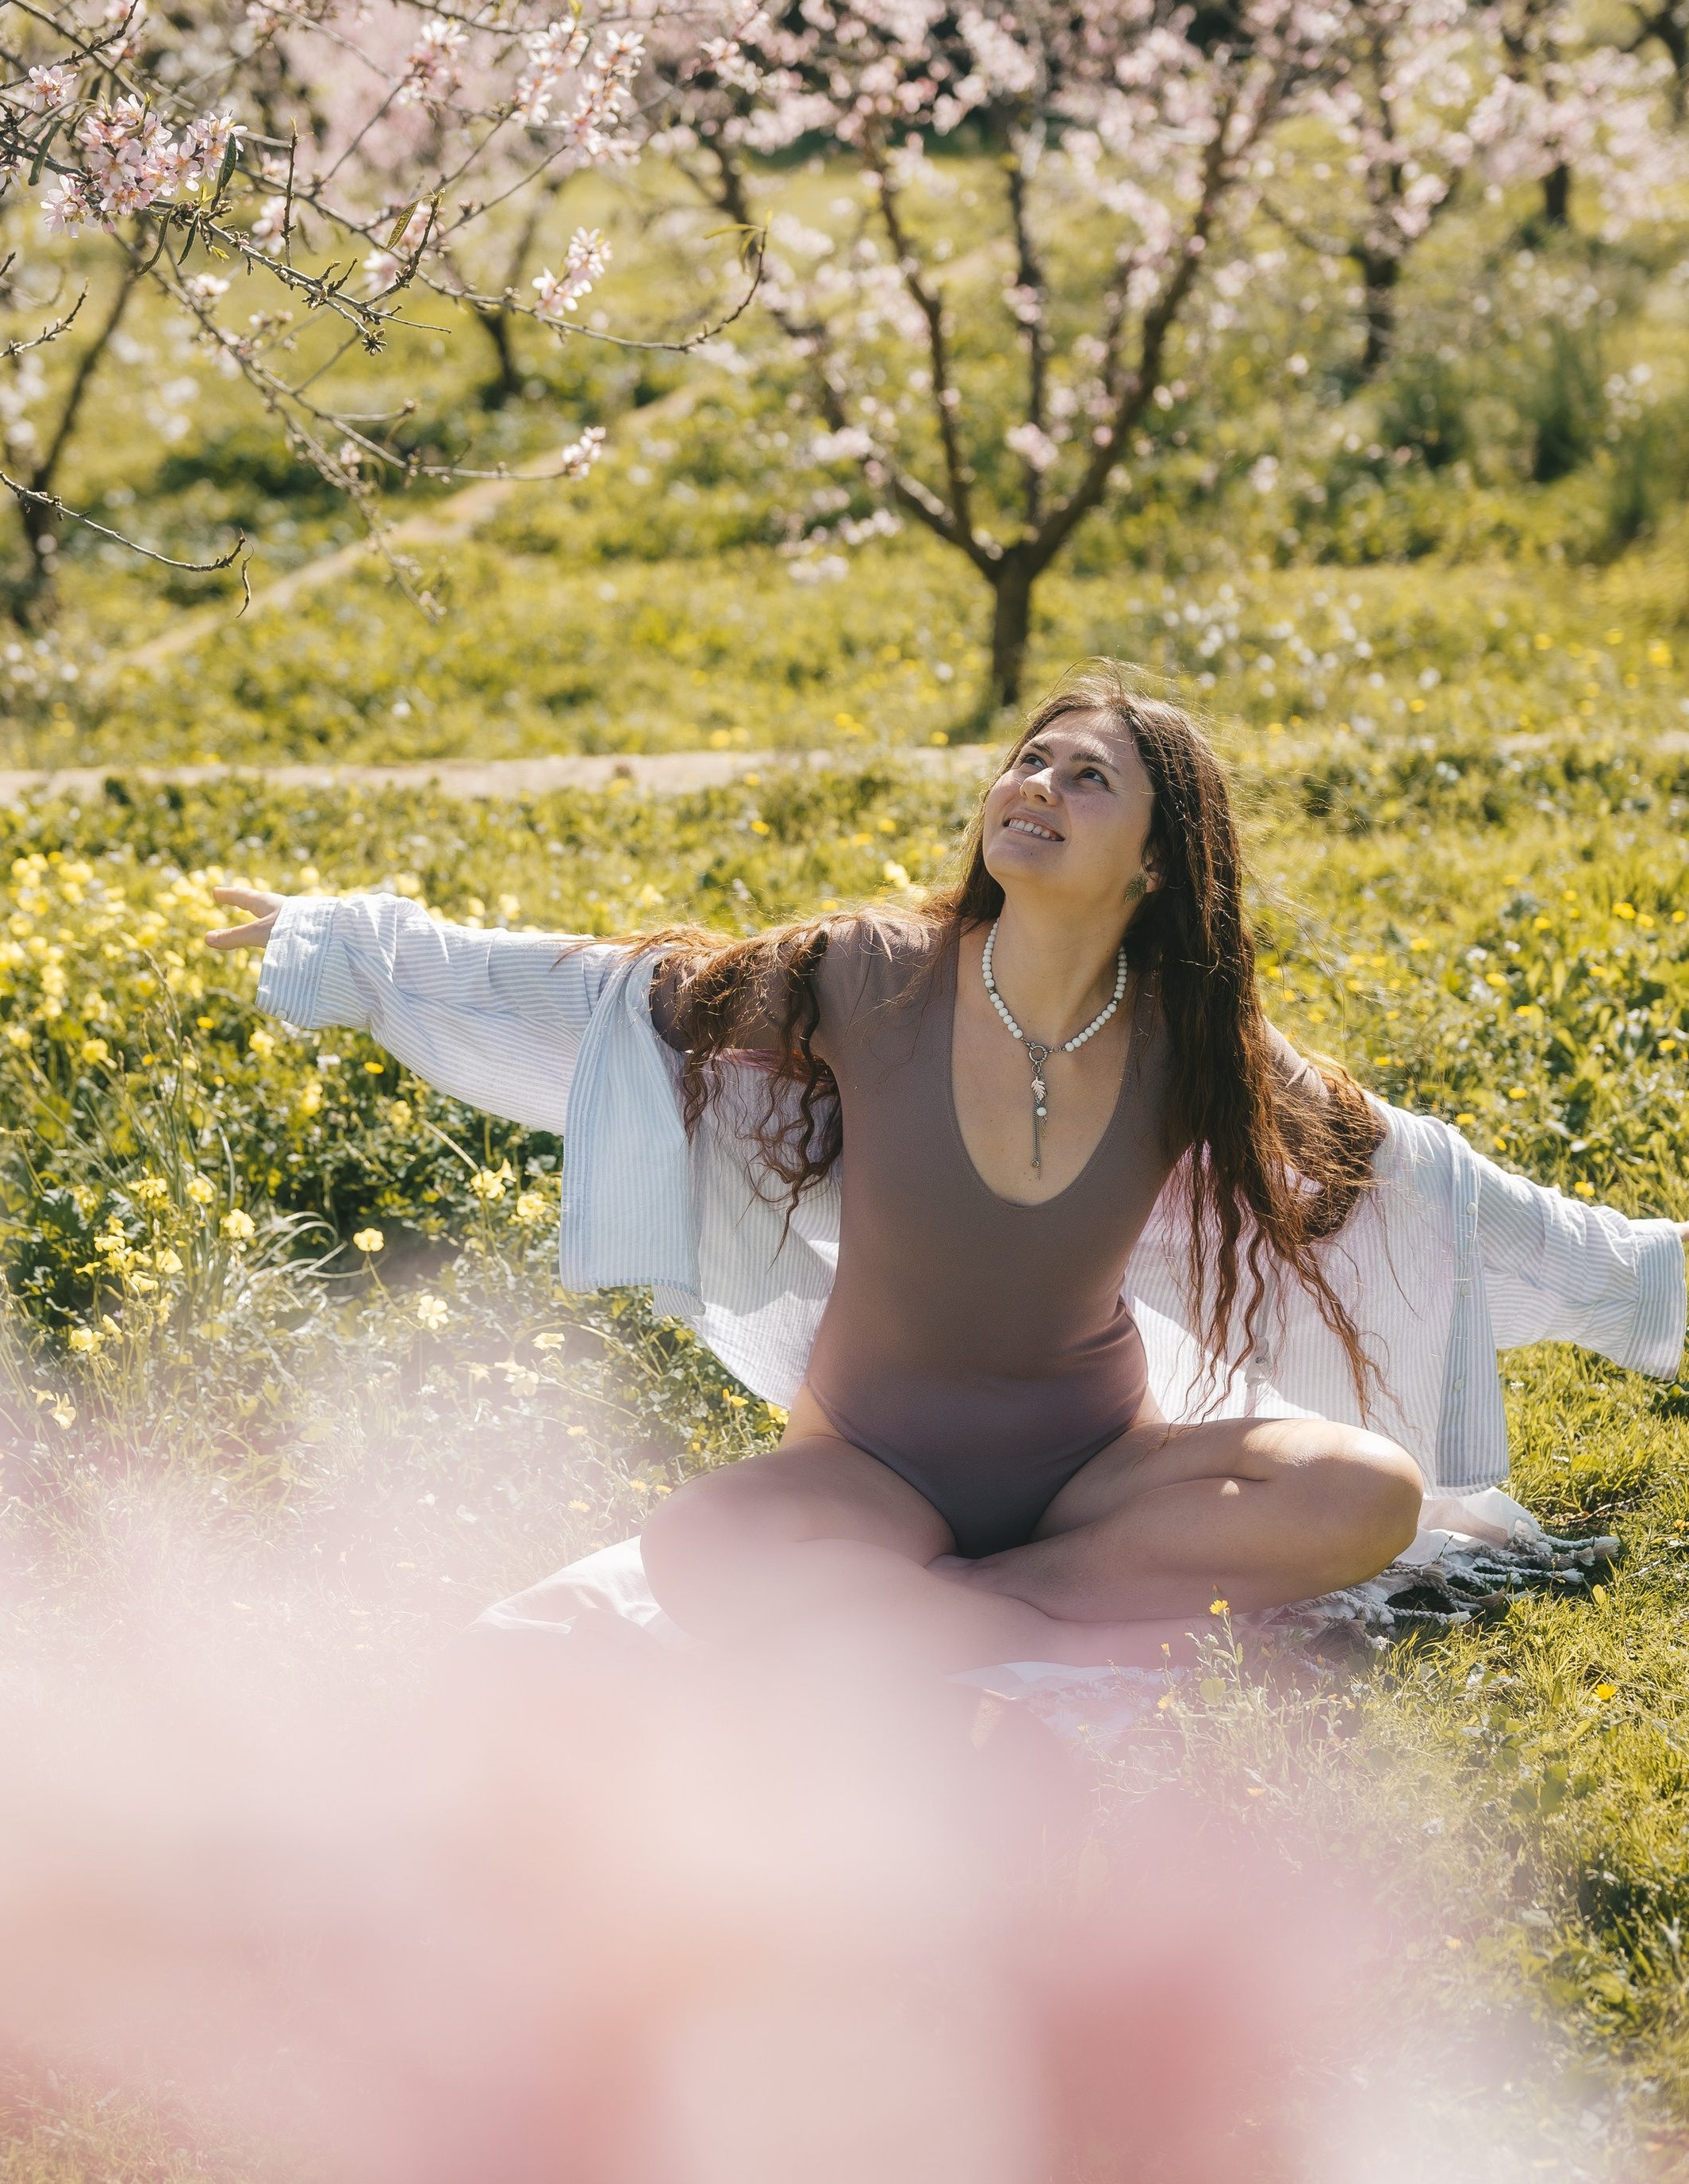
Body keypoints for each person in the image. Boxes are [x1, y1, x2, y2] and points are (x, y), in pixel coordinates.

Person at [203, 678, 1686, 1681]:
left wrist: (1647, 1283)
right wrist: (364, 948)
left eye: (1085, 776)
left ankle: (984, 1615)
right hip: (870, 1473)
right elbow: (618, 996)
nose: (1034, 784)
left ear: (1159, 864)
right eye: (1028, 757)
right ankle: (1030, 1609)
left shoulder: (1196, 1046)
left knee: (1370, 1489)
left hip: (1099, 1466)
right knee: (700, 1547)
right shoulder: (869, 973)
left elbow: (1409, 1179)